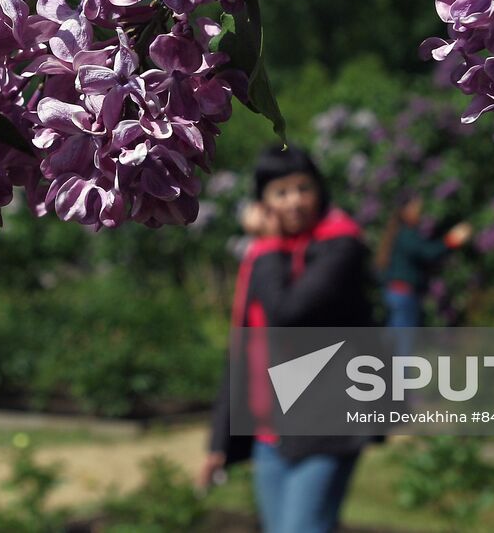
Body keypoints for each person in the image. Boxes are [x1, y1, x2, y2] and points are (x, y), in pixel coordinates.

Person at [198, 145, 376, 533]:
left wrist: (266, 246)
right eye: (281, 192)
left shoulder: (341, 247)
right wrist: (219, 442)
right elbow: (244, 349)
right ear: (262, 203)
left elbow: (286, 315)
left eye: (303, 188)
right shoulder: (268, 257)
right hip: (269, 432)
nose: (294, 201)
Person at [374, 195, 473, 330]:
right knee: (402, 341)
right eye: (416, 208)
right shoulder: (406, 235)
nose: (419, 212)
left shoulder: (402, 233)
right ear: (406, 211)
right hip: (403, 294)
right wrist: (452, 240)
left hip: (398, 293)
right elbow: (427, 252)